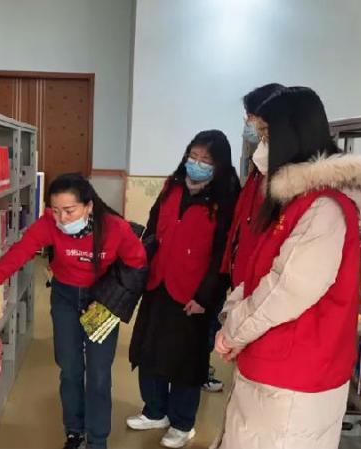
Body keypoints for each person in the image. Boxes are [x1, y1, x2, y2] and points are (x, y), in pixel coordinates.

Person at [214, 87, 361, 449]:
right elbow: (257, 271)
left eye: (266, 136)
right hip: (269, 365)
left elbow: (286, 291)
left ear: (293, 135)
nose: (260, 147)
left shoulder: (325, 209)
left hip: (294, 378)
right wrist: (232, 317)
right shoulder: (293, 200)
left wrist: (233, 331)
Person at [0, 173, 147, 449]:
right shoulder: (48, 225)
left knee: (99, 374)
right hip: (65, 297)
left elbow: (137, 265)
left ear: (89, 206)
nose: (62, 219)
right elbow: (19, 253)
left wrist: (111, 301)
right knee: (70, 369)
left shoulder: (115, 228)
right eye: (55, 211)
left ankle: (97, 440)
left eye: (69, 210)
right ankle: (74, 432)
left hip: (102, 301)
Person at [127, 130, 240, 448]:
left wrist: (206, 297)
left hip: (193, 294)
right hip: (158, 282)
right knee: (149, 350)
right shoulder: (172, 186)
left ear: (219, 165)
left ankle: (182, 423)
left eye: (206, 160)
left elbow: (223, 255)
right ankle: (155, 411)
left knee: (185, 361)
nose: (197, 163)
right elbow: (152, 228)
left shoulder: (225, 199)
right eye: (193, 156)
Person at [204, 83, 286, 395]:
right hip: (242, 282)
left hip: (261, 290)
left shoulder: (284, 175)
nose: (248, 126)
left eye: (253, 119)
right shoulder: (258, 167)